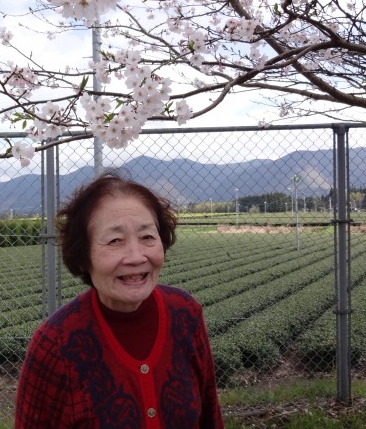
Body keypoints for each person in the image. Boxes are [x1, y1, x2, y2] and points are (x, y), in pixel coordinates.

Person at [14, 172, 224, 428]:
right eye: (115, 240)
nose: (136, 257)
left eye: (147, 237)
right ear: (83, 255)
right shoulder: (56, 345)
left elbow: (210, 416)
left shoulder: (186, 313)